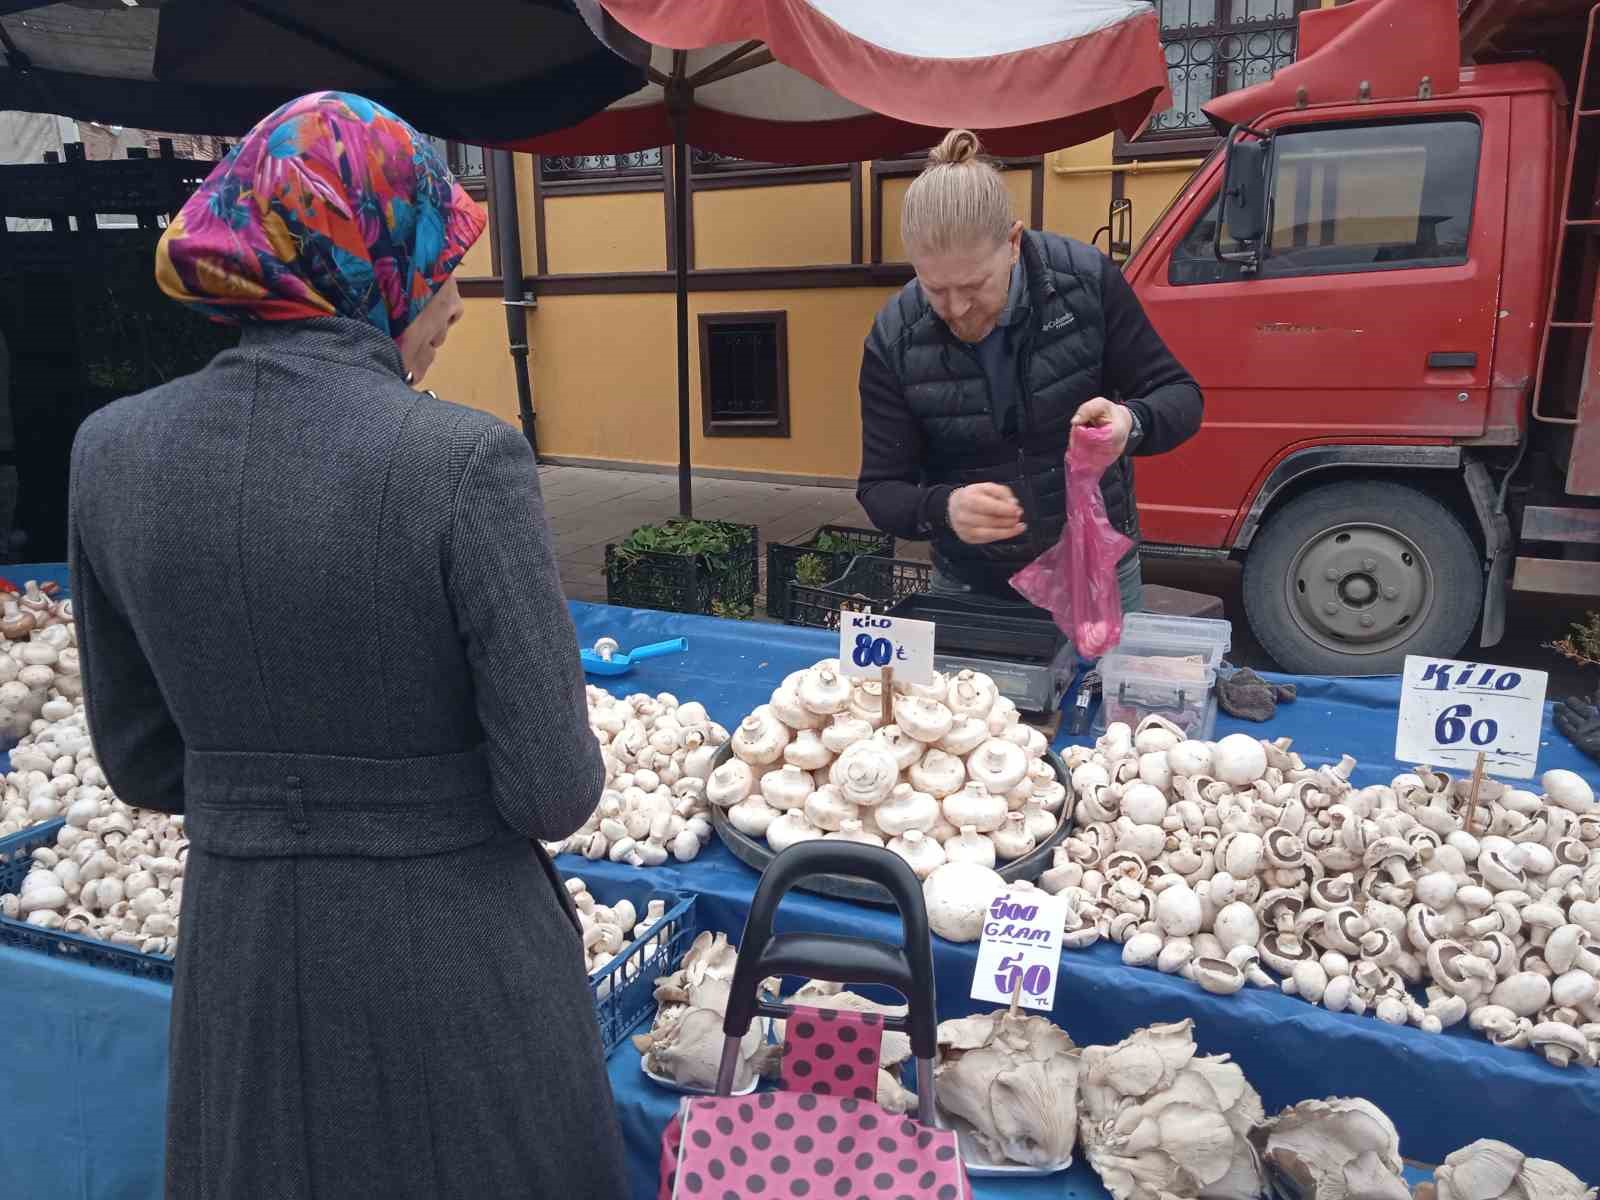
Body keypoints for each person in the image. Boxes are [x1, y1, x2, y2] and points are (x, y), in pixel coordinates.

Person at [68, 92, 626, 1200]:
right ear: (371, 261)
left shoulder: (109, 454)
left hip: (245, 961)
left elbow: (138, 761)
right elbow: (554, 789)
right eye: (443, 262)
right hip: (459, 980)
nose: (459, 298)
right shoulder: (462, 464)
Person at [857, 130, 1203, 616]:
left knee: (1102, 690)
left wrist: (1131, 423)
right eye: (934, 289)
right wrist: (944, 509)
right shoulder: (895, 337)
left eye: (974, 285)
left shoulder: (1085, 283)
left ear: (1013, 243)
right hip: (970, 581)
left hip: (1096, 569)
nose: (955, 309)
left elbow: (1182, 397)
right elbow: (879, 488)